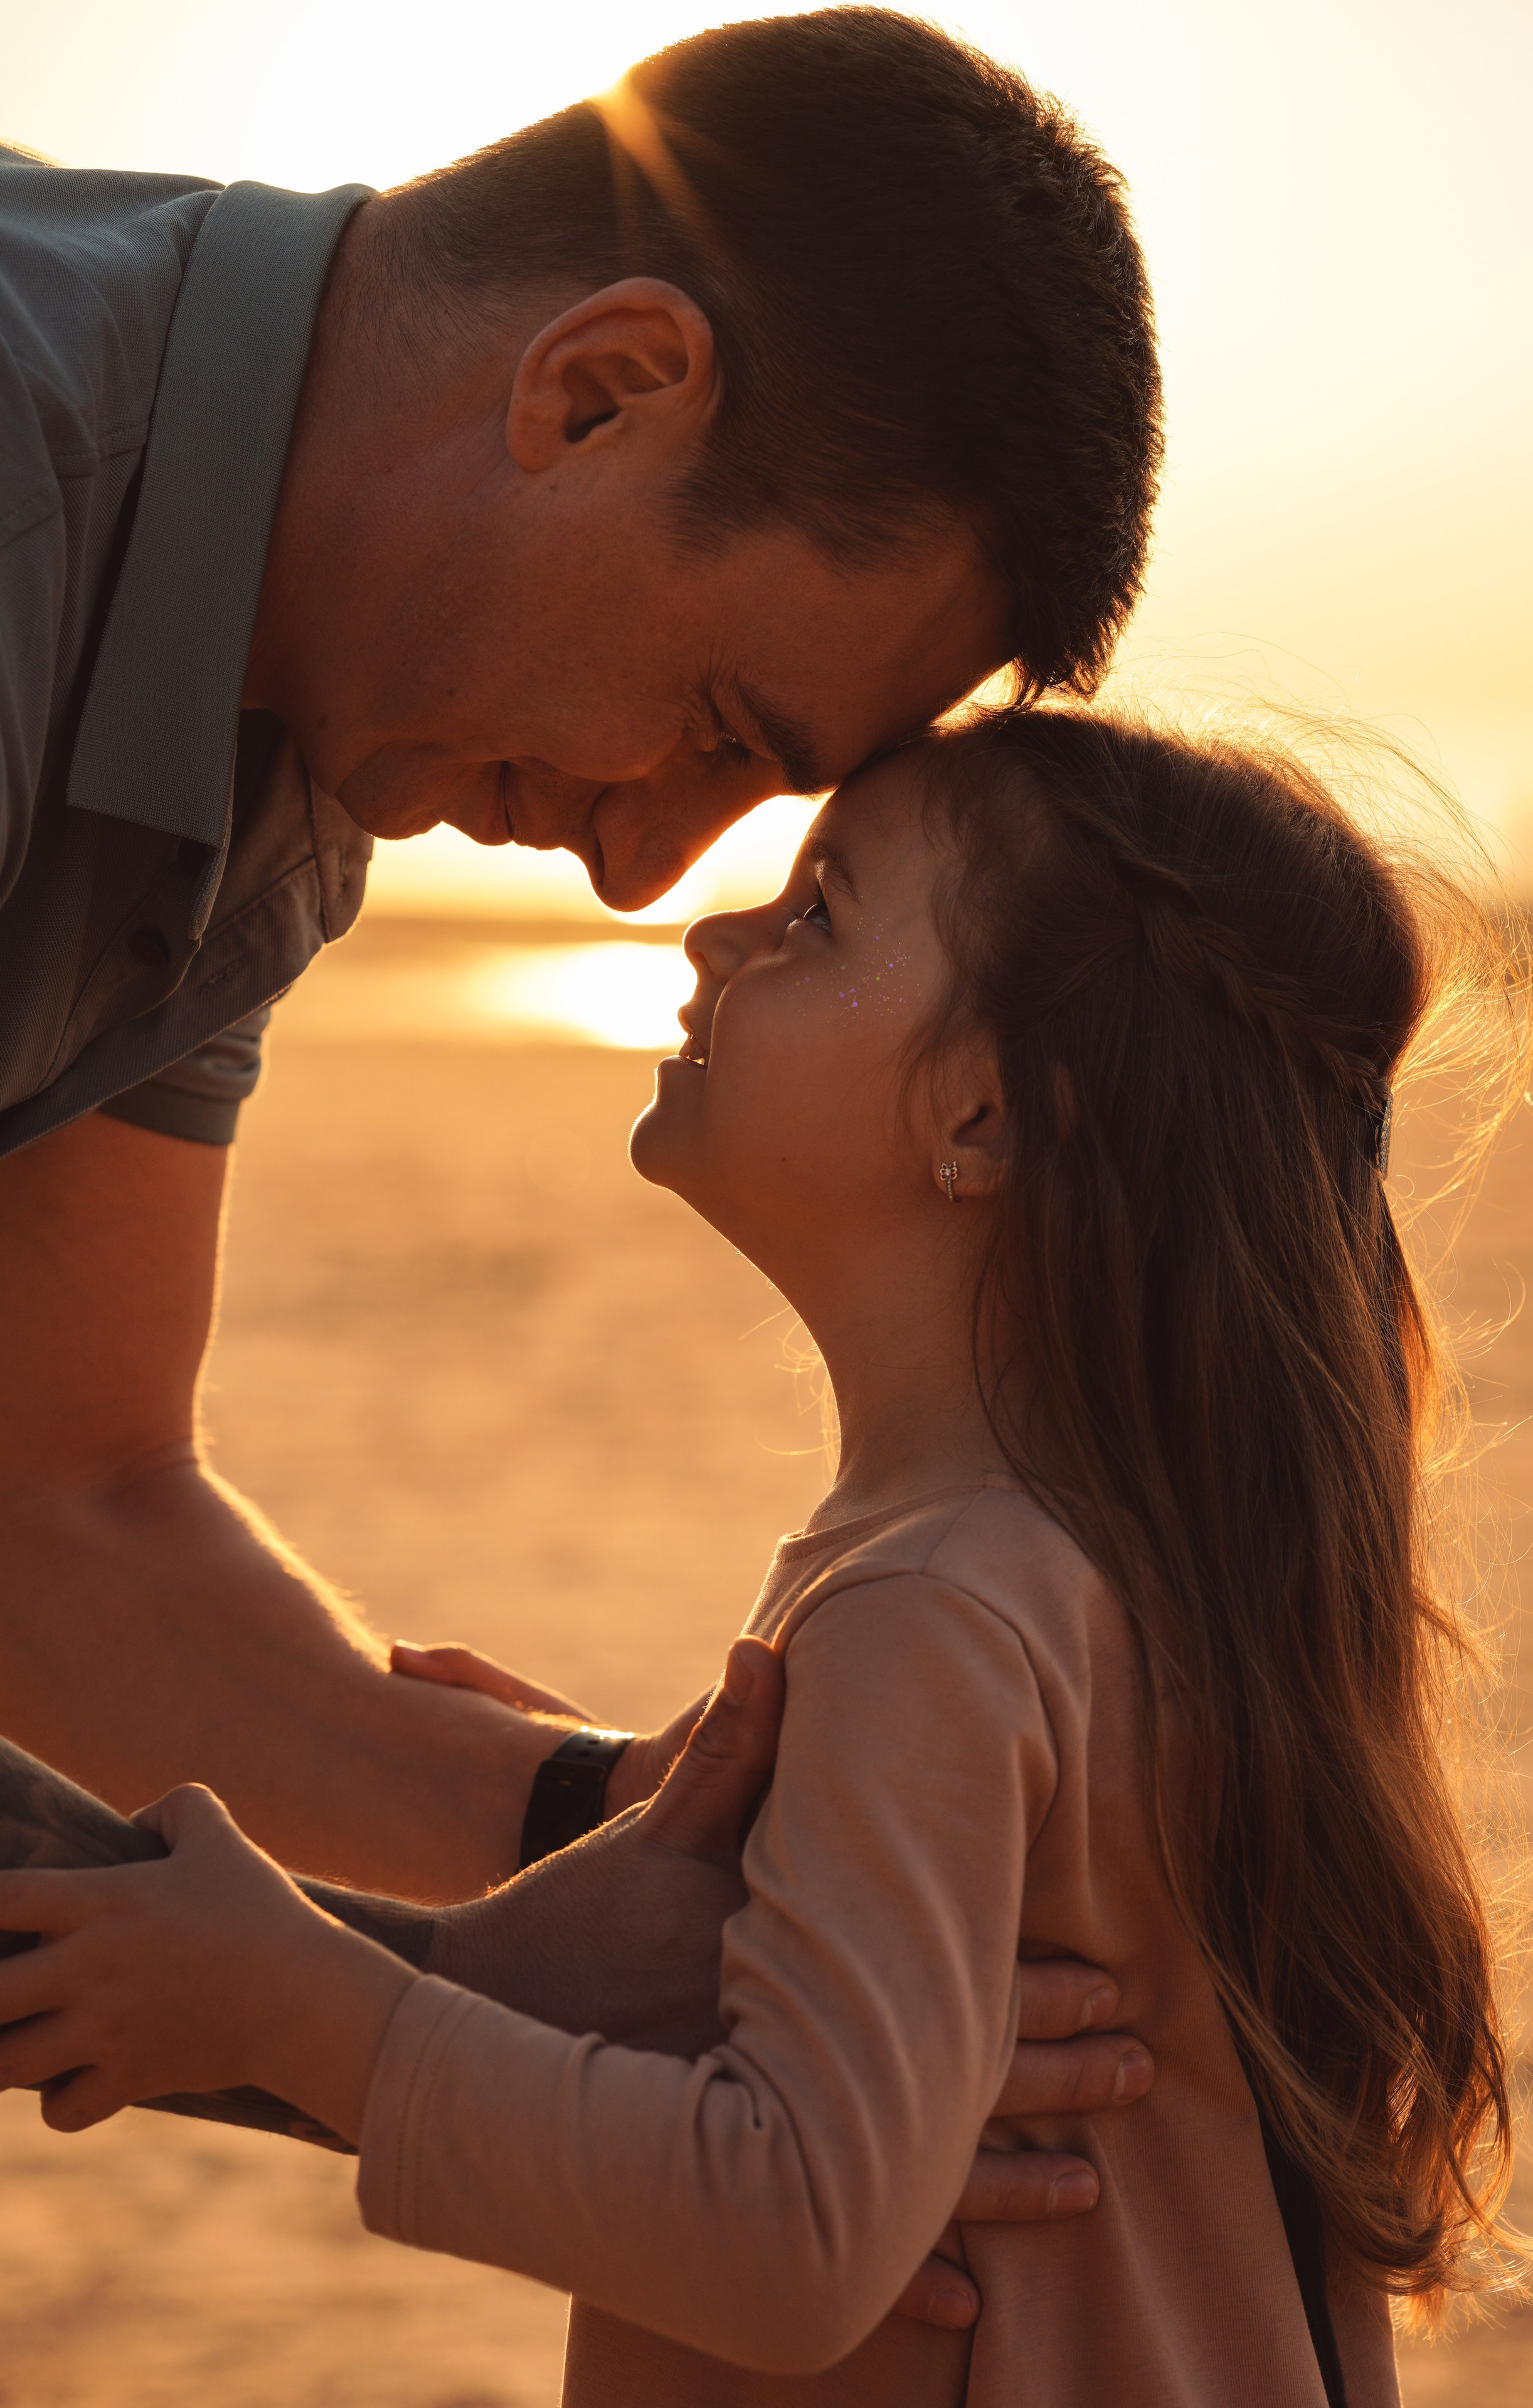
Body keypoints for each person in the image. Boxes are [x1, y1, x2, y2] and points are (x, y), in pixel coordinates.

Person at [0, 7, 1167, 2320]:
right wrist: (430, 2016)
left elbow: (65, 1508)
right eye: (720, 732)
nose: (645, 875)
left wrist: (657, 1841)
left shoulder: (279, 762)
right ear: (601, 385)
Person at [0, 705, 1533, 2404]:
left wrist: (302, 2005)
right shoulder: (1156, 1602)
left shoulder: (931, 1616)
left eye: (819, 912)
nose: (717, 930)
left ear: (983, 1118)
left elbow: (798, 2232)